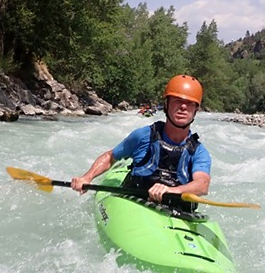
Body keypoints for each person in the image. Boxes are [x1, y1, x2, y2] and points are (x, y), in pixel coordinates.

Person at [70, 75, 212, 208]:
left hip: (175, 210)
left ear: (196, 109)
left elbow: (202, 185)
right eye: (177, 101)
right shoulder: (144, 136)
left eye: (190, 103)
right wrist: (87, 177)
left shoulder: (198, 151)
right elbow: (110, 156)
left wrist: (172, 190)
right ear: (166, 104)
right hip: (134, 202)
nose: (183, 107)